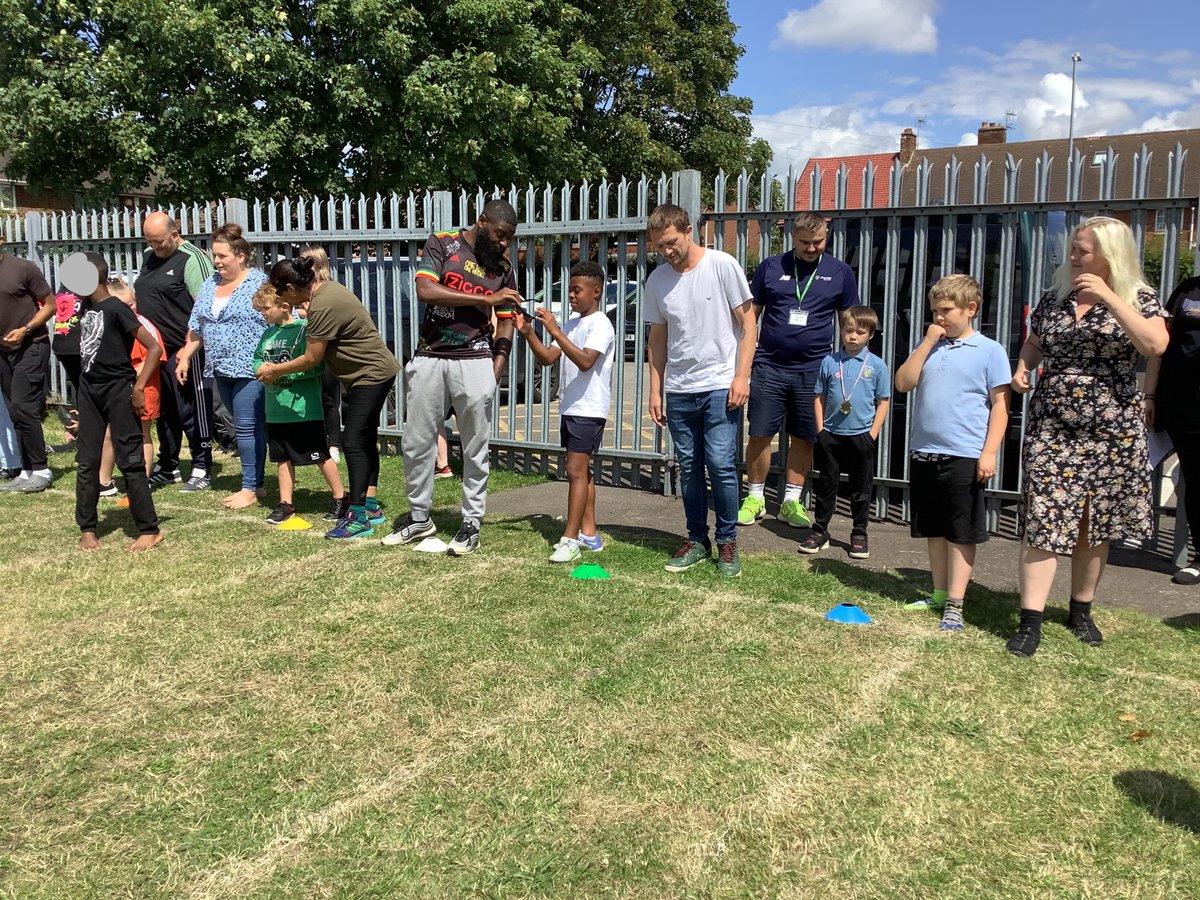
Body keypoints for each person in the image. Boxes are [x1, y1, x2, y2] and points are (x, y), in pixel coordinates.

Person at [1009, 217, 1168, 657]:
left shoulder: (1140, 298)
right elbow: (1035, 341)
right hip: (1053, 426)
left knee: (1093, 525)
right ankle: (1029, 621)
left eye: (1083, 251)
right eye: (1074, 249)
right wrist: (1024, 365)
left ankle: (1081, 611)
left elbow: (1154, 345)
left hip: (1111, 431)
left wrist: (1109, 298)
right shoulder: (1056, 297)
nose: (1074, 258)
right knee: (1044, 518)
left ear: (1109, 255)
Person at [383, 199, 520, 556]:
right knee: (416, 443)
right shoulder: (443, 243)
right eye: (501, 235)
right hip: (430, 356)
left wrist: (498, 366)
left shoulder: (503, 267)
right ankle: (419, 518)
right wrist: (485, 297)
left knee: (475, 447)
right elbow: (425, 290)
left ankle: (471, 523)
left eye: (510, 239)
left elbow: (506, 320)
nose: (505, 244)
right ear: (482, 222)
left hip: (475, 361)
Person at [894, 274, 1011, 632]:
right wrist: (927, 343)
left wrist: (988, 453)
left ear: (970, 309)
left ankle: (957, 604)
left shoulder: (990, 351)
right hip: (925, 451)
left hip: (964, 455)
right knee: (933, 528)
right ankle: (939, 593)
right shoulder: (930, 345)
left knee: (960, 531)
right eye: (934, 311)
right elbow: (903, 383)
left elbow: (1001, 407)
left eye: (945, 311)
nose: (938, 318)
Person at [645, 203, 756, 577]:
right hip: (678, 389)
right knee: (689, 468)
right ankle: (696, 539)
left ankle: (727, 542)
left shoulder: (722, 265)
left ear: (689, 231)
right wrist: (655, 390)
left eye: (672, 243)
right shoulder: (658, 280)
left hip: (719, 385)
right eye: (660, 247)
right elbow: (657, 338)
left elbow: (749, 323)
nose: (667, 252)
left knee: (721, 465)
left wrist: (741, 376)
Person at [260, 256, 400, 540]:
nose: (281, 298)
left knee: (353, 441)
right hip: (375, 372)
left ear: (291, 287)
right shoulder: (326, 290)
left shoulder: (322, 303)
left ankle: (358, 514)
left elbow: (312, 358)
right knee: (364, 436)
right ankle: (370, 506)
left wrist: (274, 369)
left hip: (370, 375)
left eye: (281, 292)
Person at [738, 211, 860, 530]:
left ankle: (791, 501)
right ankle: (755, 498)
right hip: (769, 365)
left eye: (817, 242)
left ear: (826, 236)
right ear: (793, 238)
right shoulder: (770, 267)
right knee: (760, 433)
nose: (811, 248)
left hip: (814, 370)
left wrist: (853, 365)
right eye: (805, 242)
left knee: (804, 437)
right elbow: (753, 317)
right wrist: (741, 360)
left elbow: (850, 322)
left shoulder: (840, 272)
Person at [59, 252, 162, 552]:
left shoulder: (117, 308)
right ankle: (88, 527)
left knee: (130, 459)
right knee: (87, 461)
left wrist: (139, 388)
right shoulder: (85, 309)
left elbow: (153, 348)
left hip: (119, 389)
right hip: (89, 392)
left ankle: (149, 529)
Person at [515, 260, 615, 563]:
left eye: (576, 290)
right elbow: (548, 358)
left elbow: (586, 362)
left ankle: (569, 539)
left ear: (595, 292)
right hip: (571, 406)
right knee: (582, 473)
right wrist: (530, 333)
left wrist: (556, 330)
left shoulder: (600, 324)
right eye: (570, 290)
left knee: (575, 472)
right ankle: (589, 534)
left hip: (589, 408)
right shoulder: (573, 324)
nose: (571, 296)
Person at [177, 223, 268, 509]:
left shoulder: (259, 283)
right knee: (248, 427)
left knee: (246, 426)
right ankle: (259, 481)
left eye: (222, 256)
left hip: (250, 368)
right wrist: (185, 356)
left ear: (240, 256)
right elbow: (197, 326)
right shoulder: (209, 284)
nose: (216, 262)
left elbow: (275, 319)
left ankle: (250, 487)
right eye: (214, 256)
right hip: (219, 367)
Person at [251, 283, 347, 525]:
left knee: (319, 455)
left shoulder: (304, 330)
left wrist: (281, 373)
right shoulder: (268, 334)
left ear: (284, 306)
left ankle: (340, 497)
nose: (262, 314)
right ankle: (286, 503)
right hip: (276, 411)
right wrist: (259, 370)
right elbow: (256, 359)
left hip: (304, 411)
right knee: (282, 459)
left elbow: (315, 365)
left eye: (265, 309)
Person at [800, 305, 891, 559]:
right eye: (848, 330)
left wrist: (872, 434)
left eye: (860, 332)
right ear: (841, 331)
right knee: (826, 485)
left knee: (860, 487)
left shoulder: (876, 365)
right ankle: (820, 531)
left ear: (870, 335)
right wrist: (821, 430)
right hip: (831, 434)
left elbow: (883, 400)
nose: (853, 336)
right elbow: (818, 396)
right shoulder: (830, 361)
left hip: (861, 435)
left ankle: (859, 533)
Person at [134, 212, 216, 491]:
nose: (155, 247)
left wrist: (189, 349)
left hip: (185, 348)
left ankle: (202, 464)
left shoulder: (192, 258)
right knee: (164, 409)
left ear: (174, 233)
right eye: (150, 241)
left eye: (159, 241)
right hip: (155, 350)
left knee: (192, 407)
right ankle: (168, 464)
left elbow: (205, 307)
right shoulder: (148, 256)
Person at [1145, 274, 1200, 585]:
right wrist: (1149, 394)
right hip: (1184, 405)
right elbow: (1161, 345)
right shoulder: (1188, 289)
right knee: (1195, 482)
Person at [97, 277, 163, 498]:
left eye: (131, 303)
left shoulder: (143, 324)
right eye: (124, 305)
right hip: (119, 387)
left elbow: (155, 355)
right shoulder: (108, 322)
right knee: (111, 431)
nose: (129, 309)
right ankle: (104, 481)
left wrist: (126, 377)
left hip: (144, 388)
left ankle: (141, 483)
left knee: (142, 434)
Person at [0, 236, 55, 492]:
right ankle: (26, 471)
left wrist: (26, 329)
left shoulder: (23, 268)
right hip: (3, 352)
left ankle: (42, 470)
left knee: (24, 406)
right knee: (13, 411)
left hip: (31, 346)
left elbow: (50, 306)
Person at [298, 246, 344, 462]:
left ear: (316, 264)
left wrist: (304, 311)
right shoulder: (304, 288)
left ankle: (334, 443)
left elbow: (320, 314)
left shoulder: (327, 289)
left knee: (328, 398)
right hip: (306, 346)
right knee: (309, 396)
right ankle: (316, 441)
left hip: (326, 352)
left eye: (305, 262)